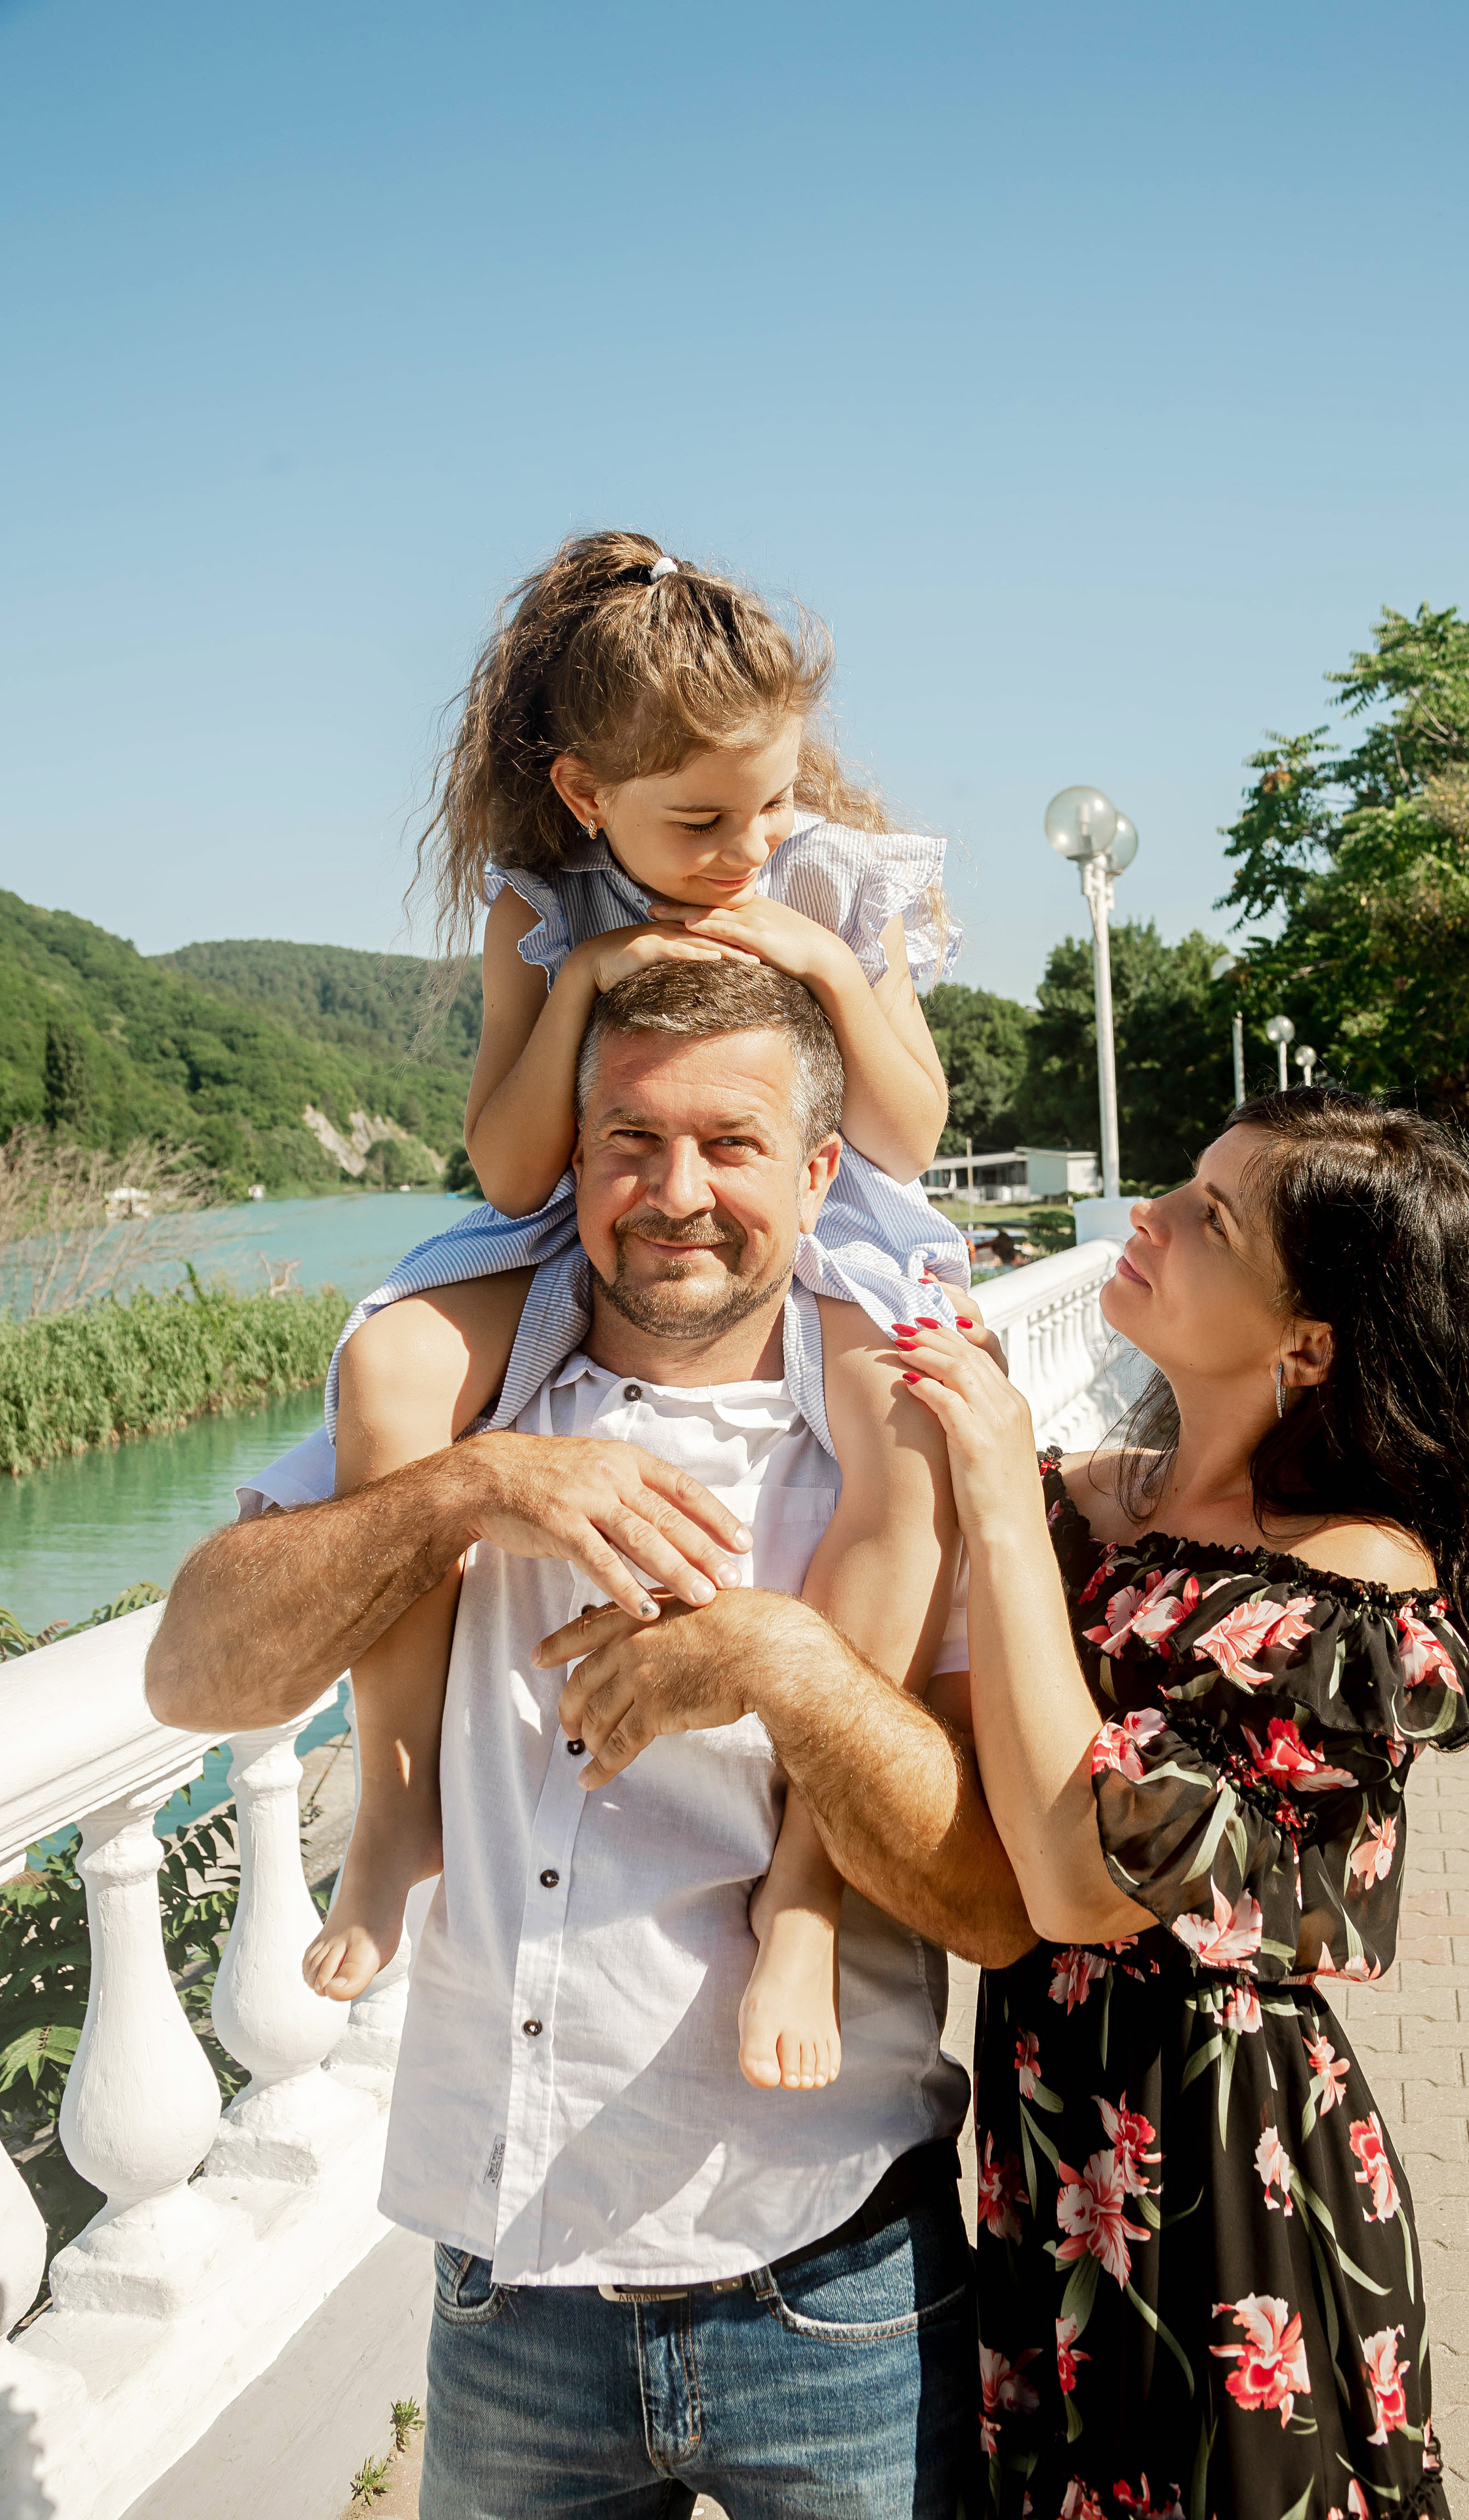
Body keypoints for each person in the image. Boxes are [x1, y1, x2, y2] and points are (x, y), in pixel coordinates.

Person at [147, 959, 1032, 2519]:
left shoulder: (890, 1430)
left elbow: (991, 1905)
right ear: (569, 1157)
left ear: (821, 1174)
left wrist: (776, 1659)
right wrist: (465, 1494)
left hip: (827, 2276)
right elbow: (192, 1679)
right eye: (629, 1138)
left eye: (730, 1144)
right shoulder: (475, 1395)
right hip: (510, 2289)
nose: (674, 1191)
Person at [300, 529, 974, 2106]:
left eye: (769, 802)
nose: (744, 845)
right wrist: (592, 974)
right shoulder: (541, 907)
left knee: (902, 1428)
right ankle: (396, 1790)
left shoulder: (815, 882)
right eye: (700, 820)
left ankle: (804, 1887)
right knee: (395, 1364)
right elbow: (511, 1158)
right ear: (588, 795)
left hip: (820, 1220)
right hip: (575, 1215)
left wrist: (823, 957)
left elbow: (910, 1132)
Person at [861, 1091, 1469, 2519]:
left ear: (1306, 1344)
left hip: (1202, 2170)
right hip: (1051, 2135)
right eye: (1179, 1186)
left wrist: (1001, 1499)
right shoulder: (1112, 1512)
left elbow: (1072, 1878)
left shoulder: (1345, 1587)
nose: (1150, 1218)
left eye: (1208, 1217)